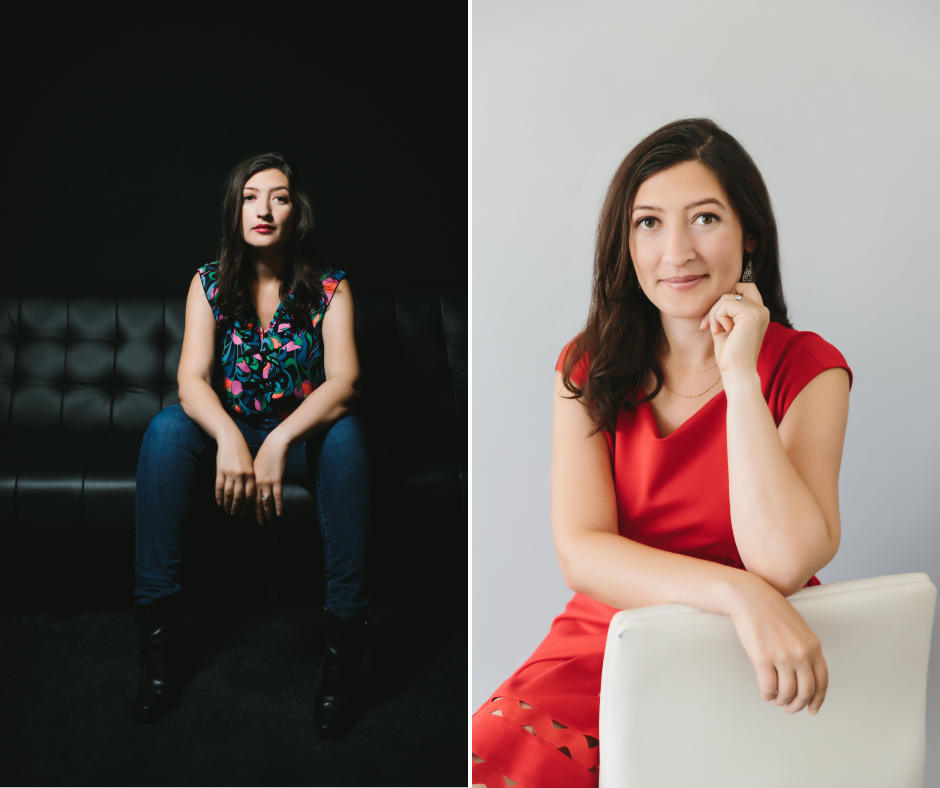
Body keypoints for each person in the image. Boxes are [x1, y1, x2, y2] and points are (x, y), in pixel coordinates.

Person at [471, 119, 853, 787]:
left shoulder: (809, 368)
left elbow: (785, 561)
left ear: (749, 235)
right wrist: (736, 593)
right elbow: (581, 551)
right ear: (625, 241)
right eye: (648, 222)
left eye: (704, 218)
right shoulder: (587, 366)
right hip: (612, 637)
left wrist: (740, 375)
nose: (675, 250)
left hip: (754, 653)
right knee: (493, 756)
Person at [132, 152, 371, 741]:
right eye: (250, 196)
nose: (263, 208)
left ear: (297, 212)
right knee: (165, 428)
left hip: (305, 427)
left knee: (348, 435)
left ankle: (342, 669)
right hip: (229, 426)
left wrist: (282, 438)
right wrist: (231, 438)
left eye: (279, 196)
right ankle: (159, 658)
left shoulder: (330, 286)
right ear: (235, 209)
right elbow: (192, 379)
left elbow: (345, 382)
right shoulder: (209, 282)